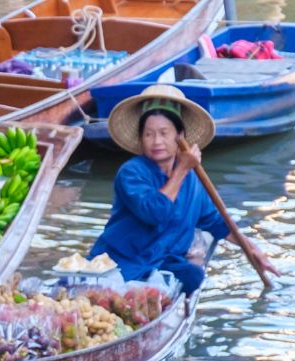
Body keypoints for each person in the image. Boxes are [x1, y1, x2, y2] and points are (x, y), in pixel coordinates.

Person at [90, 84, 279, 294]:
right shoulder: (131, 173)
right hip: (123, 263)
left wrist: (252, 249)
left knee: (193, 275)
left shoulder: (192, 181)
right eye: (149, 134)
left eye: (164, 133)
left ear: (179, 136)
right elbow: (155, 212)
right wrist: (182, 169)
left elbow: (217, 224)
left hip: (162, 263)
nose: (156, 141)